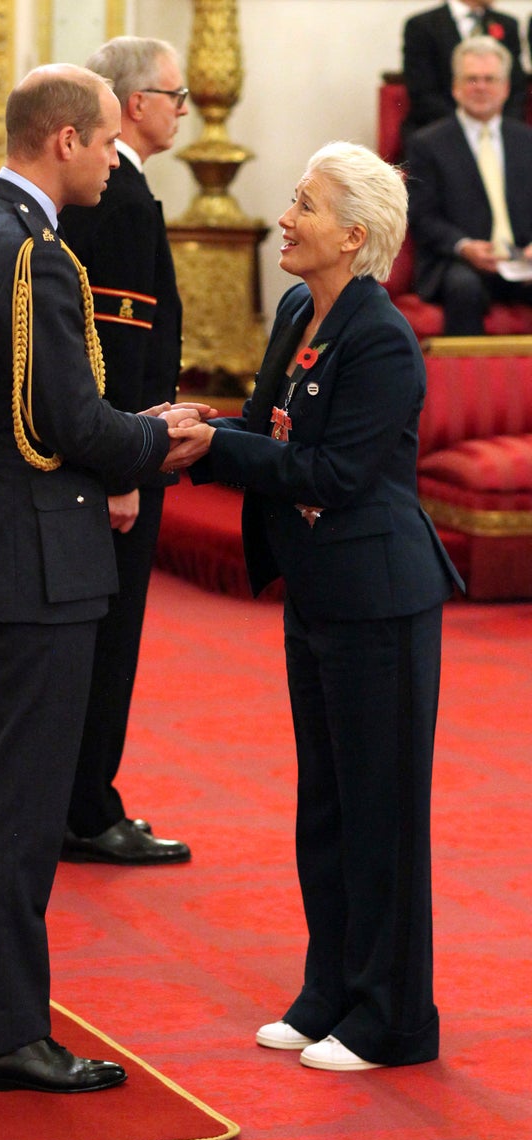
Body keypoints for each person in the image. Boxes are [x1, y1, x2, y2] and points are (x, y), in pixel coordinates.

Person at [0, 63, 209, 1093]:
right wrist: (158, 438)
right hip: (43, 550)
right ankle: (6, 1034)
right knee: (17, 805)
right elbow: (66, 422)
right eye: (98, 143)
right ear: (63, 141)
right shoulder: (35, 257)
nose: (106, 160)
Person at [164, 141, 464, 1071]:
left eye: (303, 206)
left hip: (382, 600)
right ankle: (330, 990)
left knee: (383, 810)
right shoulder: (299, 308)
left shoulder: (384, 339)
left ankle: (394, 1020)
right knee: (328, 805)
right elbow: (266, 429)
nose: (284, 219)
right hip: (320, 592)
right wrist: (200, 428)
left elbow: (334, 473)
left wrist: (213, 451)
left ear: (355, 236)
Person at [58, 37, 190, 866]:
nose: (184, 109)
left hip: (109, 449)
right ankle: (89, 809)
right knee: (111, 639)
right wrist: (130, 470)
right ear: (135, 103)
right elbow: (121, 352)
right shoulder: (126, 201)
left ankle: (81, 798)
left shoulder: (107, 195)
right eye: (176, 95)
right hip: (123, 455)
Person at [406, 36, 532, 336]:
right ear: (456, 87)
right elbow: (422, 217)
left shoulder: (527, 140)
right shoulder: (427, 144)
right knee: (465, 286)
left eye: (490, 79)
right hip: (458, 262)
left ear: (505, 88)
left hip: (522, 261)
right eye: (471, 79)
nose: (481, 87)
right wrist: (464, 247)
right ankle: (466, 382)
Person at [401, 1, 526, 146]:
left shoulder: (507, 24)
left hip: (498, 132)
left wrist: (498, 127)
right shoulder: (422, 25)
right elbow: (423, 93)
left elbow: (516, 88)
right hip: (438, 130)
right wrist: (467, 128)